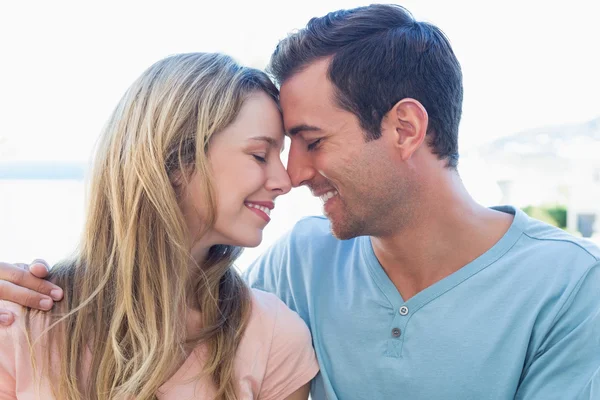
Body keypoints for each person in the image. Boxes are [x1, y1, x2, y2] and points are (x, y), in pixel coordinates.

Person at [1, 4, 600, 400]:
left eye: (311, 142)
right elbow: (162, 296)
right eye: (271, 151)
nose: (293, 174)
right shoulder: (301, 263)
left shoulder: (569, 285)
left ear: (404, 129)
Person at [0, 52, 318, 399]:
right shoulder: (20, 325)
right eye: (259, 155)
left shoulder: (274, 337)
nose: (284, 181)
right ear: (174, 160)